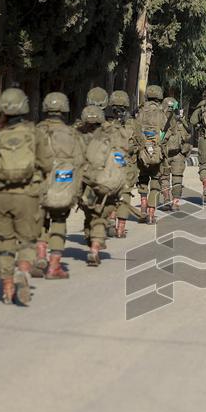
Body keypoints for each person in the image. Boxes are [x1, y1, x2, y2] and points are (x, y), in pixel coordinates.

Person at [0, 88, 53, 306]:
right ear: (24, 107)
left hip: (1, 197)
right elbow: (47, 164)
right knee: (27, 241)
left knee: (5, 242)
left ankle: (7, 287)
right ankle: (23, 272)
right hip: (27, 197)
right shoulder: (34, 133)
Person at [35, 92, 84, 280]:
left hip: (38, 187)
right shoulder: (72, 134)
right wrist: (76, 191)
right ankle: (54, 267)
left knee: (40, 221)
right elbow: (80, 164)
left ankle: (40, 255)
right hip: (62, 189)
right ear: (65, 109)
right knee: (58, 222)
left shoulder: (36, 131)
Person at [78, 105, 127, 266]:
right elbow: (121, 156)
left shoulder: (79, 135)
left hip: (85, 184)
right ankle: (95, 248)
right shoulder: (112, 134)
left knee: (89, 214)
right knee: (100, 216)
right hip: (105, 182)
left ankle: (91, 239)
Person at [105, 89, 146, 234]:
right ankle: (121, 228)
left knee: (110, 192)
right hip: (128, 164)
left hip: (108, 165)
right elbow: (141, 143)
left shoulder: (104, 123)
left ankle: (110, 217)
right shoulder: (133, 123)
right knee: (126, 193)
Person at [136, 86, 169, 224]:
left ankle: (142, 208)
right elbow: (167, 133)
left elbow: (135, 131)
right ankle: (150, 214)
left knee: (143, 179)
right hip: (157, 153)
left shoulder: (140, 111)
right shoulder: (162, 113)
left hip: (142, 153)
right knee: (155, 183)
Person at [160, 97, 192, 211]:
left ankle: (166, 199)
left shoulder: (159, 119)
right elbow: (188, 136)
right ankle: (175, 202)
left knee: (164, 177)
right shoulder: (180, 120)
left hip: (164, 153)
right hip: (178, 153)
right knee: (177, 178)